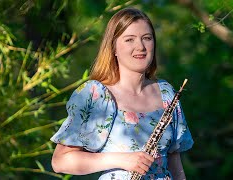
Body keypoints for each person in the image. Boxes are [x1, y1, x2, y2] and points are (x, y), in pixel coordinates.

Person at [50, 7, 194, 180]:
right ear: (114, 48)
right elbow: (60, 162)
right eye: (129, 40)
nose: (140, 46)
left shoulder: (166, 93)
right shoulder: (96, 95)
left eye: (146, 38)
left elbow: (174, 160)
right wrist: (123, 160)